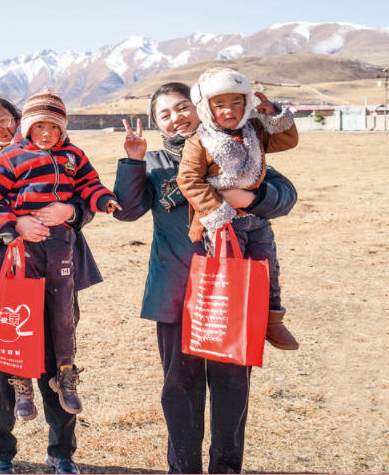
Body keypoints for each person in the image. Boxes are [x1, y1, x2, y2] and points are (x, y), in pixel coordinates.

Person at [113, 82, 298, 473]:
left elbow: (286, 193)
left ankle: (226, 469)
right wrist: (133, 161)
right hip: (177, 295)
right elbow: (127, 212)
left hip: (233, 293)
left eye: (182, 108)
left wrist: (252, 199)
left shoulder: (234, 151)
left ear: (199, 108)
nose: (176, 118)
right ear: (157, 125)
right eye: (165, 114)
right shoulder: (154, 165)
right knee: (180, 388)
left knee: (233, 387)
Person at [0, 97, 102, 474]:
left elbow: (81, 199)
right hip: (0, 277)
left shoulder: (57, 155)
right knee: (1, 366)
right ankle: (1, 453)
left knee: (58, 356)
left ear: (21, 124)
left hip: (57, 270)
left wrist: (70, 211)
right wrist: (16, 224)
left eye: (6, 120)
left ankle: (62, 452)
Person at [0, 90, 119, 418]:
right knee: (20, 311)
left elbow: (90, 185)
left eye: (54, 128)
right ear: (27, 127)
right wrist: (12, 227)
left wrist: (104, 200)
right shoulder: (10, 157)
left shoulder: (73, 155)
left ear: (63, 129)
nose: (46, 134)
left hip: (61, 244)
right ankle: (23, 380)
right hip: (23, 248)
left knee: (63, 312)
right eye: (39, 126)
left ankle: (65, 374)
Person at [176, 68, 299, 350]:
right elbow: (188, 179)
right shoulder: (200, 141)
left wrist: (273, 115)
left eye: (236, 103)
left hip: (257, 218)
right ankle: (230, 324)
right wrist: (218, 210)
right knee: (228, 274)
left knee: (268, 269)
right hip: (224, 222)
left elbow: (285, 140)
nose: (229, 111)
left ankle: (272, 321)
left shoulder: (254, 131)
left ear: (247, 104)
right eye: (219, 105)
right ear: (206, 108)